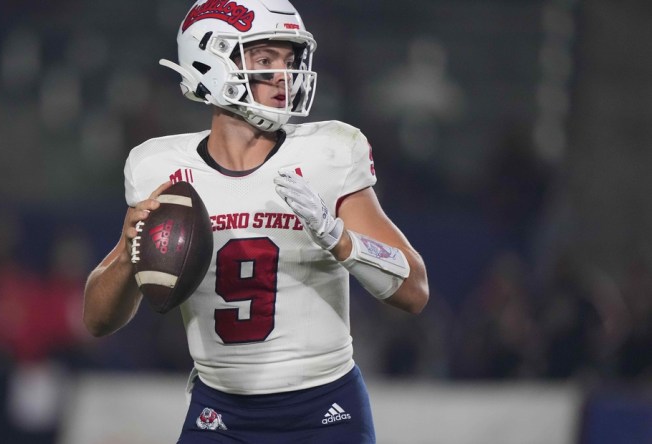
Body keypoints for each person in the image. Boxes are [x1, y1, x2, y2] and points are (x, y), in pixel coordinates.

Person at [83, 1, 429, 443]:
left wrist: (341, 241)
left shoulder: (328, 155)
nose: (284, 76)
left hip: (325, 409)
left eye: (290, 60)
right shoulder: (159, 167)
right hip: (220, 411)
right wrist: (132, 252)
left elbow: (415, 290)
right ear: (208, 61)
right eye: (265, 60)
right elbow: (97, 320)